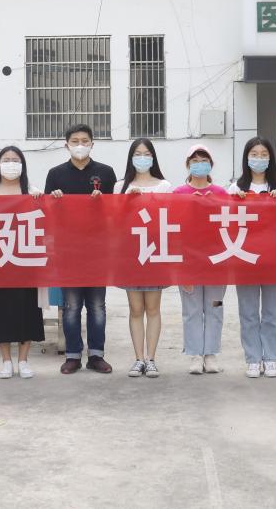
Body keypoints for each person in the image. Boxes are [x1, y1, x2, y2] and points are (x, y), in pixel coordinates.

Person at [47, 124, 118, 375]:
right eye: (75, 141)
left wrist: (102, 203)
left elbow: (114, 212)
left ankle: (96, 355)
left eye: (85, 141)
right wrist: (54, 200)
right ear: (66, 145)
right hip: (68, 251)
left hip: (98, 250)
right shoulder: (55, 174)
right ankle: (73, 356)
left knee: (97, 306)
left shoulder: (106, 173)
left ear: (92, 144)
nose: (80, 145)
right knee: (71, 306)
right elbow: (47, 213)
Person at [0, 147, 45, 379]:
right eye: (6, 159)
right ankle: (6, 360)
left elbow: (45, 221)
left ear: (22, 165)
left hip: (26, 260)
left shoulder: (32, 192)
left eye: (15, 160)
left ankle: (23, 360)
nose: (10, 163)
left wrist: (43, 201)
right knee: (1, 311)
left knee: (27, 310)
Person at [229, 137, 276, 378]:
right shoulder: (235, 188)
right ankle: (253, 358)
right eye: (254, 154)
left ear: (271, 158)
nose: (259, 159)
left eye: (264, 154)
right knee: (249, 313)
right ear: (246, 157)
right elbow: (226, 222)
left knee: (272, 313)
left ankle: (271, 358)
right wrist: (237, 203)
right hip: (245, 258)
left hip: (274, 259)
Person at [118, 138, 172, 378]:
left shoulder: (164, 185)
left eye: (146, 153)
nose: (142, 158)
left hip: (155, 252)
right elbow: (115, 220)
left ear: (153, 157)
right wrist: (126, 199)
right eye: (138, 154)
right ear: (131, 158)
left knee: (153, 308)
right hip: (131, 254)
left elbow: (170, 216)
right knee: (135, 308)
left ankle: (151, 359)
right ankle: (138, 358)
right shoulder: (121, 186)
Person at [174, 145, 228, 374]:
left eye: (203, 160)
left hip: (217, 262)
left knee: (215, 307)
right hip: (189, 262)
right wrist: (189, 205)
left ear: (211, 165)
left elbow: (231, 223)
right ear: (188, 165)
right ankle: (195, 354)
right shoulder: (179, 193)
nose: (199, 164)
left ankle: (211, 353)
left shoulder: (221, 193)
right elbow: (172, 225)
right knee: (192, 310)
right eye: (194, 161)